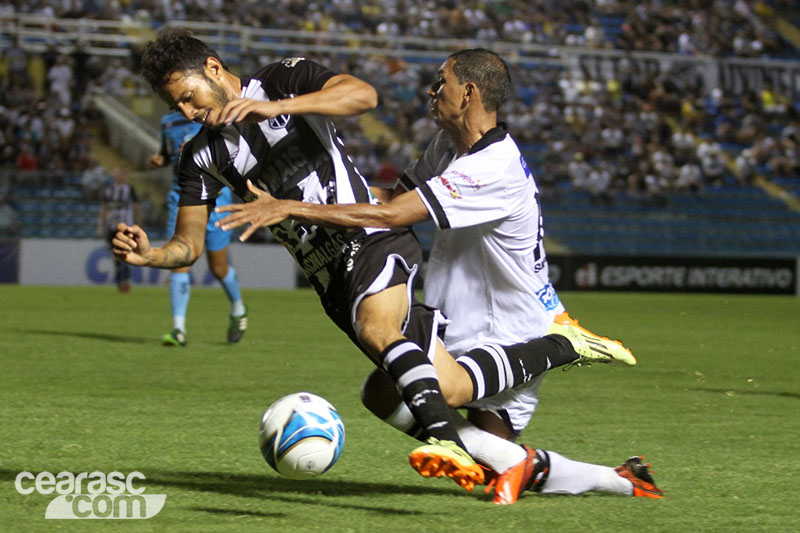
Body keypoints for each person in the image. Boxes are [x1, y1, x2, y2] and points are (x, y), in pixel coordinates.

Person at [113, 30, 627, 495]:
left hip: (371, 240)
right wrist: (152, 255)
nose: (186, 112)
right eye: (174, 105)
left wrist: (274, 110)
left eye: (188, 96)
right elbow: (190, 243)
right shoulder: (199, 157)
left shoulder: (283, 80)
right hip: (328, 278)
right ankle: (591, 469)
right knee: (393, 391)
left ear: (212, 67)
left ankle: (450, 441)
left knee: (379, 329)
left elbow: (362, 95)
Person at [149, 110, 247, 346]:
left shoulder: (209, 113)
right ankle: (178, 329)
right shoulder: (166, 121)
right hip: (180, 197)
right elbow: (166, 153)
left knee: (218, 268)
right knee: (179, 261)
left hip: (216, 197)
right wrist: (160, 159)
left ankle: (238, 309)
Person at [98, 167, 141, 292]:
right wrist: (101, 226)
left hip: (127, 227)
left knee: (125, 252)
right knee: (117, 254)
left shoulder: (130, 190)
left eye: (122, 174)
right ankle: (120, 280)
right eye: (118, 173)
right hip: (112, 226)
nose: (120, 176)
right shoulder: (109, 190)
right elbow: (104, 208)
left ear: (126, 175)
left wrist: (139, 225)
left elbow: (137, 208)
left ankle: (124, 280)